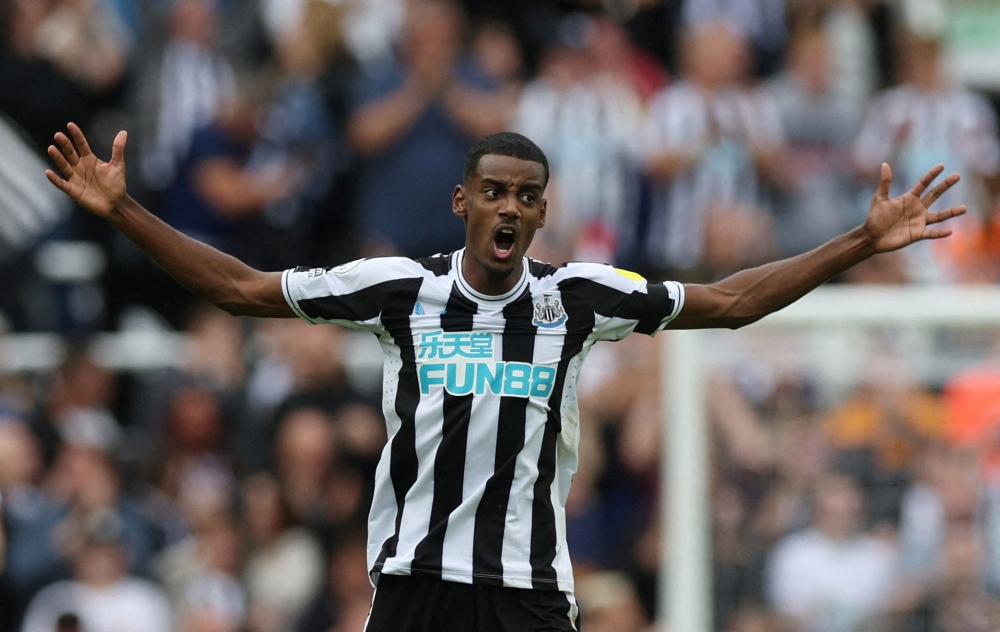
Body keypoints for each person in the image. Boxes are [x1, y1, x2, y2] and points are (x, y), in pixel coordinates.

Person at [44, 120, 963, 631]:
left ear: (543, 210)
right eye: (495, 192)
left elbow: (728, 302)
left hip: (525, 592)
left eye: (527, 196)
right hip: (411, 586)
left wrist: (858, 241)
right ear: (464, 202)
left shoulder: (582, 299)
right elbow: (242, 289)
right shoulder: (398, 289)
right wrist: (126, 215)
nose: (510, 208)